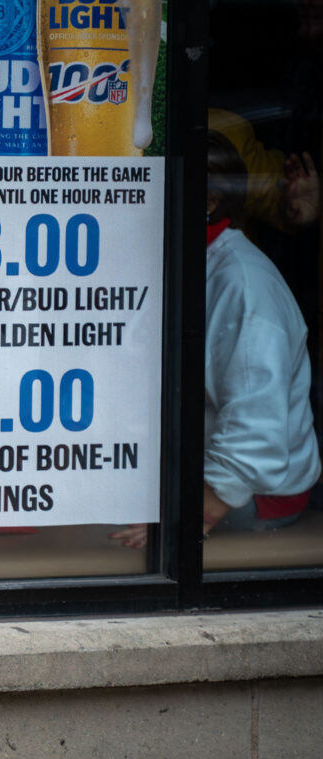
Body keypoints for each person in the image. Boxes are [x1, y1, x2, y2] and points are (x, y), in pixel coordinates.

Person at [113, 132, 321, 548]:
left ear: (208, 203)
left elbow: (255, 435)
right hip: (185, 472)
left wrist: (186, 519)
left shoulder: (243, 286)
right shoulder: (186, 261)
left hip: (248, 494)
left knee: (105, 538)